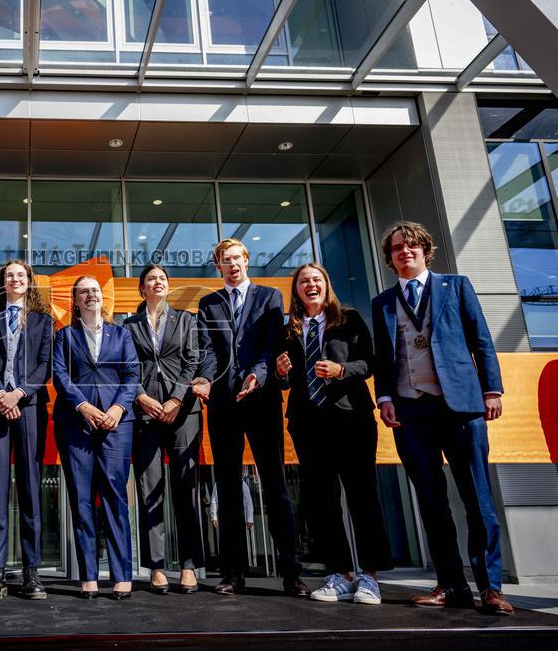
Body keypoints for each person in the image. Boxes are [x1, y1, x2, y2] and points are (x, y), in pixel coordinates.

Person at [371, 221, 513, 615]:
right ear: (390, 257)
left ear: (425, 250)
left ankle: (491, 587)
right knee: (431, 502)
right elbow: (385, 357)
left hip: (461, 406)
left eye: (412, 246)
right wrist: (384, 397)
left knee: (477, 497)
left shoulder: (457, 285)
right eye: (397, 248)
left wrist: (491, 389)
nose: (405, 252)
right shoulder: (382, 302)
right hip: (411, 409)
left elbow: (481, 339)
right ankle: (451, 585)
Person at [192, 238, 308, 597]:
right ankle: (232, 574)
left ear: (247, 260)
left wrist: (257, 374)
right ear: (219, 267)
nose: (232, 265)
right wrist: (207, 380)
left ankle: (291, 573)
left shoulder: (270, 297)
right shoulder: (208, 303)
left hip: (261, 400)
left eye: (237, 258)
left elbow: (272, 345)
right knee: (227, 489)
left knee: (274, 486)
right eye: (225, 261)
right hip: (224, 404)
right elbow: (208, 350)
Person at [276, 263, 393, 605]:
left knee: (362, 497)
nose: (310, 285)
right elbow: (285, 380)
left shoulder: (350, 319)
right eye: (303, 282)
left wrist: (342, 370)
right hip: (308, 423)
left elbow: (369, 363)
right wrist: (281, 373)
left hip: (350, 419)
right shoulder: (289, 329)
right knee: (322, 501)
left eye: (316, 280)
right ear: (296, 291)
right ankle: (338, 573)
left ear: (326, 285)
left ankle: (369, 576)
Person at [52, 275, 140, 600]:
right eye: (84, 292)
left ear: (104, 299)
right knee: (82, 498)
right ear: (75, 301)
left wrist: (117, 408)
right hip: (76, 424)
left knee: (116, 496)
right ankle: (88, 575)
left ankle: (121, 575)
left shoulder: (122, 334)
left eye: (96, 291)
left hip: (117, 424)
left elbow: (132, 373)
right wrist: (84, 406)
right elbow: (59, 375)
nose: (91, 295)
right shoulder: (64, 336)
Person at [0, 260, 54, 600]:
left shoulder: (43, 320)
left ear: (29, 282)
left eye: (21, 275)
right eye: (10, 275)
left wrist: (19, 393)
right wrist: (0, 394)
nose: (15, 279)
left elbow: (45, 364)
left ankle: (31, 572)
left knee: (31, 488)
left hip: (31, 409)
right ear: (2, 283)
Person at [124, 263, 204, 594]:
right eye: (150, 280)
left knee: (186, 489)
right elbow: (125, 366)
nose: (157, 283)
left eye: (162, 279)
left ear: (168, 287)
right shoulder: (128, 325)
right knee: (148, 488)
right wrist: (141, 397)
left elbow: (193, 361)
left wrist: (175, 400)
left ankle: (188, 565)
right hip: (145, 413)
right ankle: (156, 566)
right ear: (142, 289)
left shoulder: (187, 320)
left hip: (183, 412)